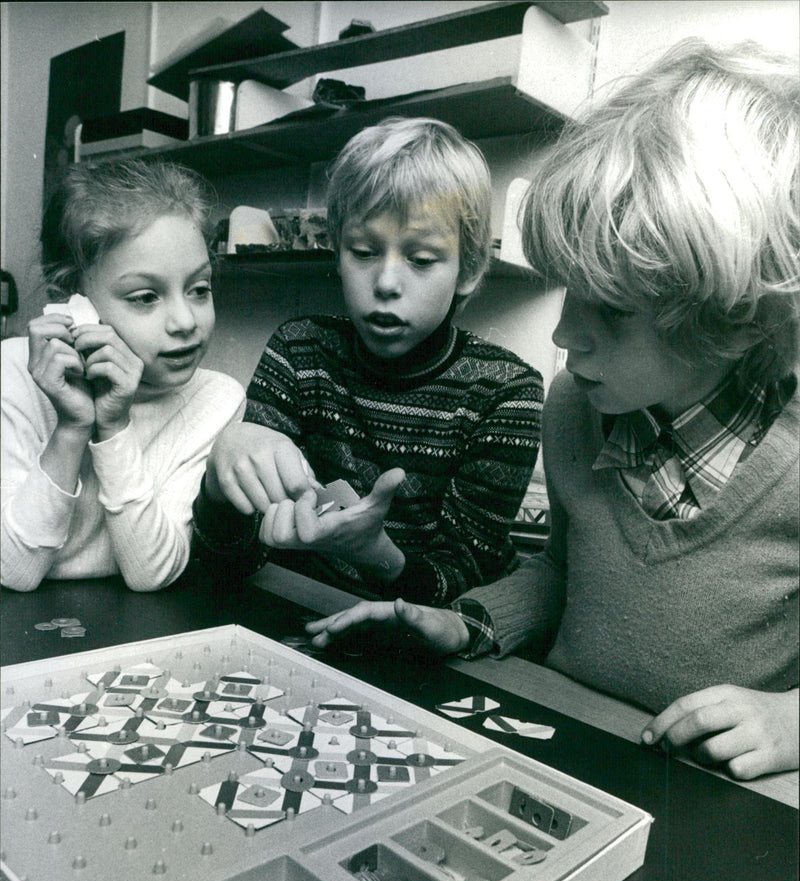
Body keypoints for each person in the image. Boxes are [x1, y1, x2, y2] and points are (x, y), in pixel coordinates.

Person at [306, 40, 799, 780]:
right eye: (570, 290)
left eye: (614, 310)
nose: (565, 335)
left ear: (741, 317)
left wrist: (793, 718)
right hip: (566, 740)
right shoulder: (574, 406)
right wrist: (467, 621)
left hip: (714, 798)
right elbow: (564, 574)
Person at [192, 116, 543, 606]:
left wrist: (376, 554)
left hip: (416, 650)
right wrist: (218, 486)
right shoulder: (299, 352)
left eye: (421, 260)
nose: (386, 283)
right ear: (336, 251)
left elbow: (465, 586)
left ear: (470, 269)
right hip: (306, 615)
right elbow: (229, 561)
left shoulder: (506, 390)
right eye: (363, 251)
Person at [1, 157, 245, 592]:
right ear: (71, 302)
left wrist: (112, 426)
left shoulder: (216, 399)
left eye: (200, 289)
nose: (185, 321)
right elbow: (14, 572)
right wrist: (72, 428)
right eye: (146, 297)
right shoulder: (13, 375)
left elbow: (152, 573)